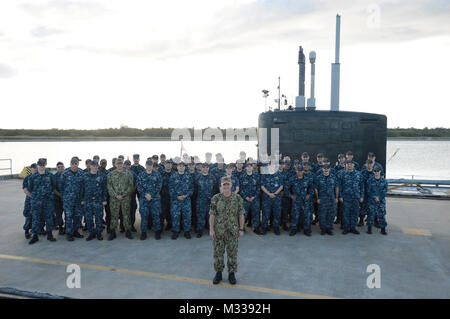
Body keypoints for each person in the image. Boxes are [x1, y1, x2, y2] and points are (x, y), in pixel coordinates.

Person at [209, 176, 245, 285]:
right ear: (221, 186)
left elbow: (241, 214)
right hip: (219, 231)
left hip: (232, 231)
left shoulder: (237, 198)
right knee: (218, 253)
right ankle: (218, 273)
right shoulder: (216, 198)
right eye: (224, 185)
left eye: (227, 184)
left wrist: (241, 229)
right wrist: (211, 229)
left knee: (232, 253)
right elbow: (212, 214)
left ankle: (231, 274)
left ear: (231, 185)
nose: (226, 187)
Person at [28, 158, 57, 244]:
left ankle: (50, 235)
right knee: (36, 219)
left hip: (48, 201)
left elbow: (53, 186)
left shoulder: (50, 175)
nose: (41, 166)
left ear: (45, 165)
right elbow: (30, 188)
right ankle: (35, 236)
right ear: (37, 165)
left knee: (49, 218)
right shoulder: (33, 176)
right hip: (36, 201)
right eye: (40, 165)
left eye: (43, 165)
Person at [106, 158, 135, 240]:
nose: (119, 165)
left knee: (126, 215)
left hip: (125, 199)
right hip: (114, 199)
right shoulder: (110, 174)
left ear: (123, 164)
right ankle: (112, 232)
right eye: (117, 163)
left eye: (120, 163)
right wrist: (115, 195)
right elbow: (109, 187)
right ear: (115, 164)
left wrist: (124, 195)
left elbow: (131, 186)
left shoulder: (128, 174)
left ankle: (128, 232)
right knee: (114, 216)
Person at [137, 161, 163, 240]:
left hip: (155, 199)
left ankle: (157, 232)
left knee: (156, 216)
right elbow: (139, 186)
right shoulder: (141, 175)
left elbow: (159, 186)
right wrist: (145, 195)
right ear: (146, 165)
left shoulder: (157, 174)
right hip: (144, 199)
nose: (149, 166)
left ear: (152, 166)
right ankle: (144, 233)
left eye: (150, 165)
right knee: (144, 217)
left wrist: (151, 195)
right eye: (148, 165)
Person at [61, 156, 85, 241]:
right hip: (68, 200)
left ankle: (75, 231)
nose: (74, 165)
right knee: (68, 217)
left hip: (78, 200)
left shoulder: (81, 173)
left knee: (77, 217)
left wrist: (82, 199)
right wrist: (65, 197)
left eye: (76, 164)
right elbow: (61, 186)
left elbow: (83, 186)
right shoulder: (65, 173)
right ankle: (69, 233)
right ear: (70, 164)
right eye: (73, 164)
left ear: (78, 164)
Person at [83, 160, 107, 241]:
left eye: (96, 166)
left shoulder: (102, 176)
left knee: (99, 218)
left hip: (98, 200)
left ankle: (99, 233)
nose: (95, 167)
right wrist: (82, 199)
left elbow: (104, 189)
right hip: (88, 200)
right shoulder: (85, 176)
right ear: (90, 166)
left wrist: (104, 199)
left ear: (98, 167)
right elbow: (82, 189)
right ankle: (91, 233)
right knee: (89, 218)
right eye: (93, 166)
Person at [169, 161, 194, 240]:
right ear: (177, 167)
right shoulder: (173, 176)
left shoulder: (189, 176)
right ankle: (175, 232)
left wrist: (186, 195)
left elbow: (192, 188)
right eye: (179, 166)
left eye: (183, 166)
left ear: (184, 167)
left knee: (187, 217)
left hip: (186, 200)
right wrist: (176, 197)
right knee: (175, 217)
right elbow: (170, 189)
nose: (181, 167)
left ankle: (187, 232)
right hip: (176, 201)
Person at [338, 160, 364, 234]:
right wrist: (340, 196)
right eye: (348, 164)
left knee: (355, 213)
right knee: (346, 213)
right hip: (346, 197)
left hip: (356, 197)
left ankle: (353, 228)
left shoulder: (359, 174)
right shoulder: (342, 174)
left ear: (353, 165)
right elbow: (339, 186)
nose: (349, 165)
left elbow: (362, 186)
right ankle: (346, 228)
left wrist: (362, 196)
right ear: (346, 165)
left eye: (351, 164)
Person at [289, 165, 314, 236]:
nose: (299, 172)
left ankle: (306, 229)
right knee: (295, 215)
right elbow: (287, 189)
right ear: (296, 171)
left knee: (306, 215)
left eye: (301, 171)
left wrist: (309, 194)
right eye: (298, 171)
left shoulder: (307, 179)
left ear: (303, 171)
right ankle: (294, 229)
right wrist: (291, 195)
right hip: (296, 201)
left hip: (305, 201)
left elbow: (311, 188)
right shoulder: (292, 179)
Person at [315, 164, 339, 235]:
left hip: (331, 199)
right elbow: (316, 189)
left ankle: (329, 228)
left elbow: (336, 187)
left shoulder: (333, 177)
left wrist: (336, 197)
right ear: (322, 169)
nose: (326, 169)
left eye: (327, 168)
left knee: (331, 215)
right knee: (322, 215)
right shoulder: (318, 178)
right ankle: (323, 229)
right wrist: (317, 198)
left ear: (329, 169)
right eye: (324, 168)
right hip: (322, 199)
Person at [260, 162, 283, 235]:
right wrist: (269, 194)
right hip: (267, 197)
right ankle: (264, 227)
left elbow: (281, 186)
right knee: (265, 213)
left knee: (277, 213)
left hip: (277, 197)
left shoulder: (279, 174)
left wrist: (275, 193)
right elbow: (262, 186)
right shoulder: (264, 175)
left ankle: (276, 227)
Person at [239, 161, 261, 234]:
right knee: (243, 214)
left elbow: (258, 188)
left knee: (256, 213)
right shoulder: (242, 177)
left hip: (254, 199)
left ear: (252, 167)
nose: (249, 168)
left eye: (250, 166)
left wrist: (254, 197)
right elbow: (240, 188)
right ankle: (242, 228)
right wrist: (246, 197)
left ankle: (256, 227)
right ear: (245, 168)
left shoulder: (256, 176)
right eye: (247, 166)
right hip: (245, 200)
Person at [194, 163, 216, 237]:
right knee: (200, 216)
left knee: (211, 215)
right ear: (201, 168)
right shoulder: (197, 177)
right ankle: (200, 231)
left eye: (207, 167)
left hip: (210, 200)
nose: (205, 169)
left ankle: (211, 229)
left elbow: (215, 189)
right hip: (200, 200)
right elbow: (195, 189)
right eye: (204, 167)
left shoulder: (212, 177)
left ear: (208, 168)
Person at [367, 167, 388, 235]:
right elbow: (368, 191)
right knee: (371, 215)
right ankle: (369, 229)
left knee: (381, 215)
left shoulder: (384, 181)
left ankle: (383, 230)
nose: (376, 172)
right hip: (372, 201)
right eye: (375, 171)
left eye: (377, 171)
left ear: (380, 172)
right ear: (373, 172)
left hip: (381, 201)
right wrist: (374, 197)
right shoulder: (370, 180)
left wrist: (379, 197)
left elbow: (385, 191)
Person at [22, 163, 37, 239]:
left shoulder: (40, 177)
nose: (35, 169)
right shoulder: (27, 178)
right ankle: (27, 230)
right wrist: (32, 196)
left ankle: (37, 230)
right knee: (28, 215)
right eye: (33, 168)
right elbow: (25, 189)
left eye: (36, 168)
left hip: (39, 200)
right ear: (31, 169)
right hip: (29, 200)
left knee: (38, 215)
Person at [124, 160, 138, 232]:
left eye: (129, 165)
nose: (127, 166)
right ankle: (124, 227)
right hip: (123, 197)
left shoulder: (133, 173)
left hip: (132, 196)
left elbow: (136, 183)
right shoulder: (121, 173)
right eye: (126, 164)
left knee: (132, 212)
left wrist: (133, 190)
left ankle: (132, 225)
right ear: (124, 165)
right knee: (124, 212)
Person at [52, 162, 65, 235]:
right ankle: (60, 227)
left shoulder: (66, 175)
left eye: (62, 167)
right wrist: (60, 195)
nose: (60, 168)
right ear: (56, 168)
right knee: (59, 214)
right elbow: (53, 189)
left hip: (66, 199)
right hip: (57, 199)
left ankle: (67, 227)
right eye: (59, 167)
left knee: (67, 213)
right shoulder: (54, 177)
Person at [160, 159, 173, 231]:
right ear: (164, 165)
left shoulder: (175, 174)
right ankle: (160, 227)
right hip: (163, 197)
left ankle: (169, 225)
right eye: (167, 163)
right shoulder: (160, 174)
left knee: (170, 213)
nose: (168, 165)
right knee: (161, 213)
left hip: (172, 197)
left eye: (170, 164)